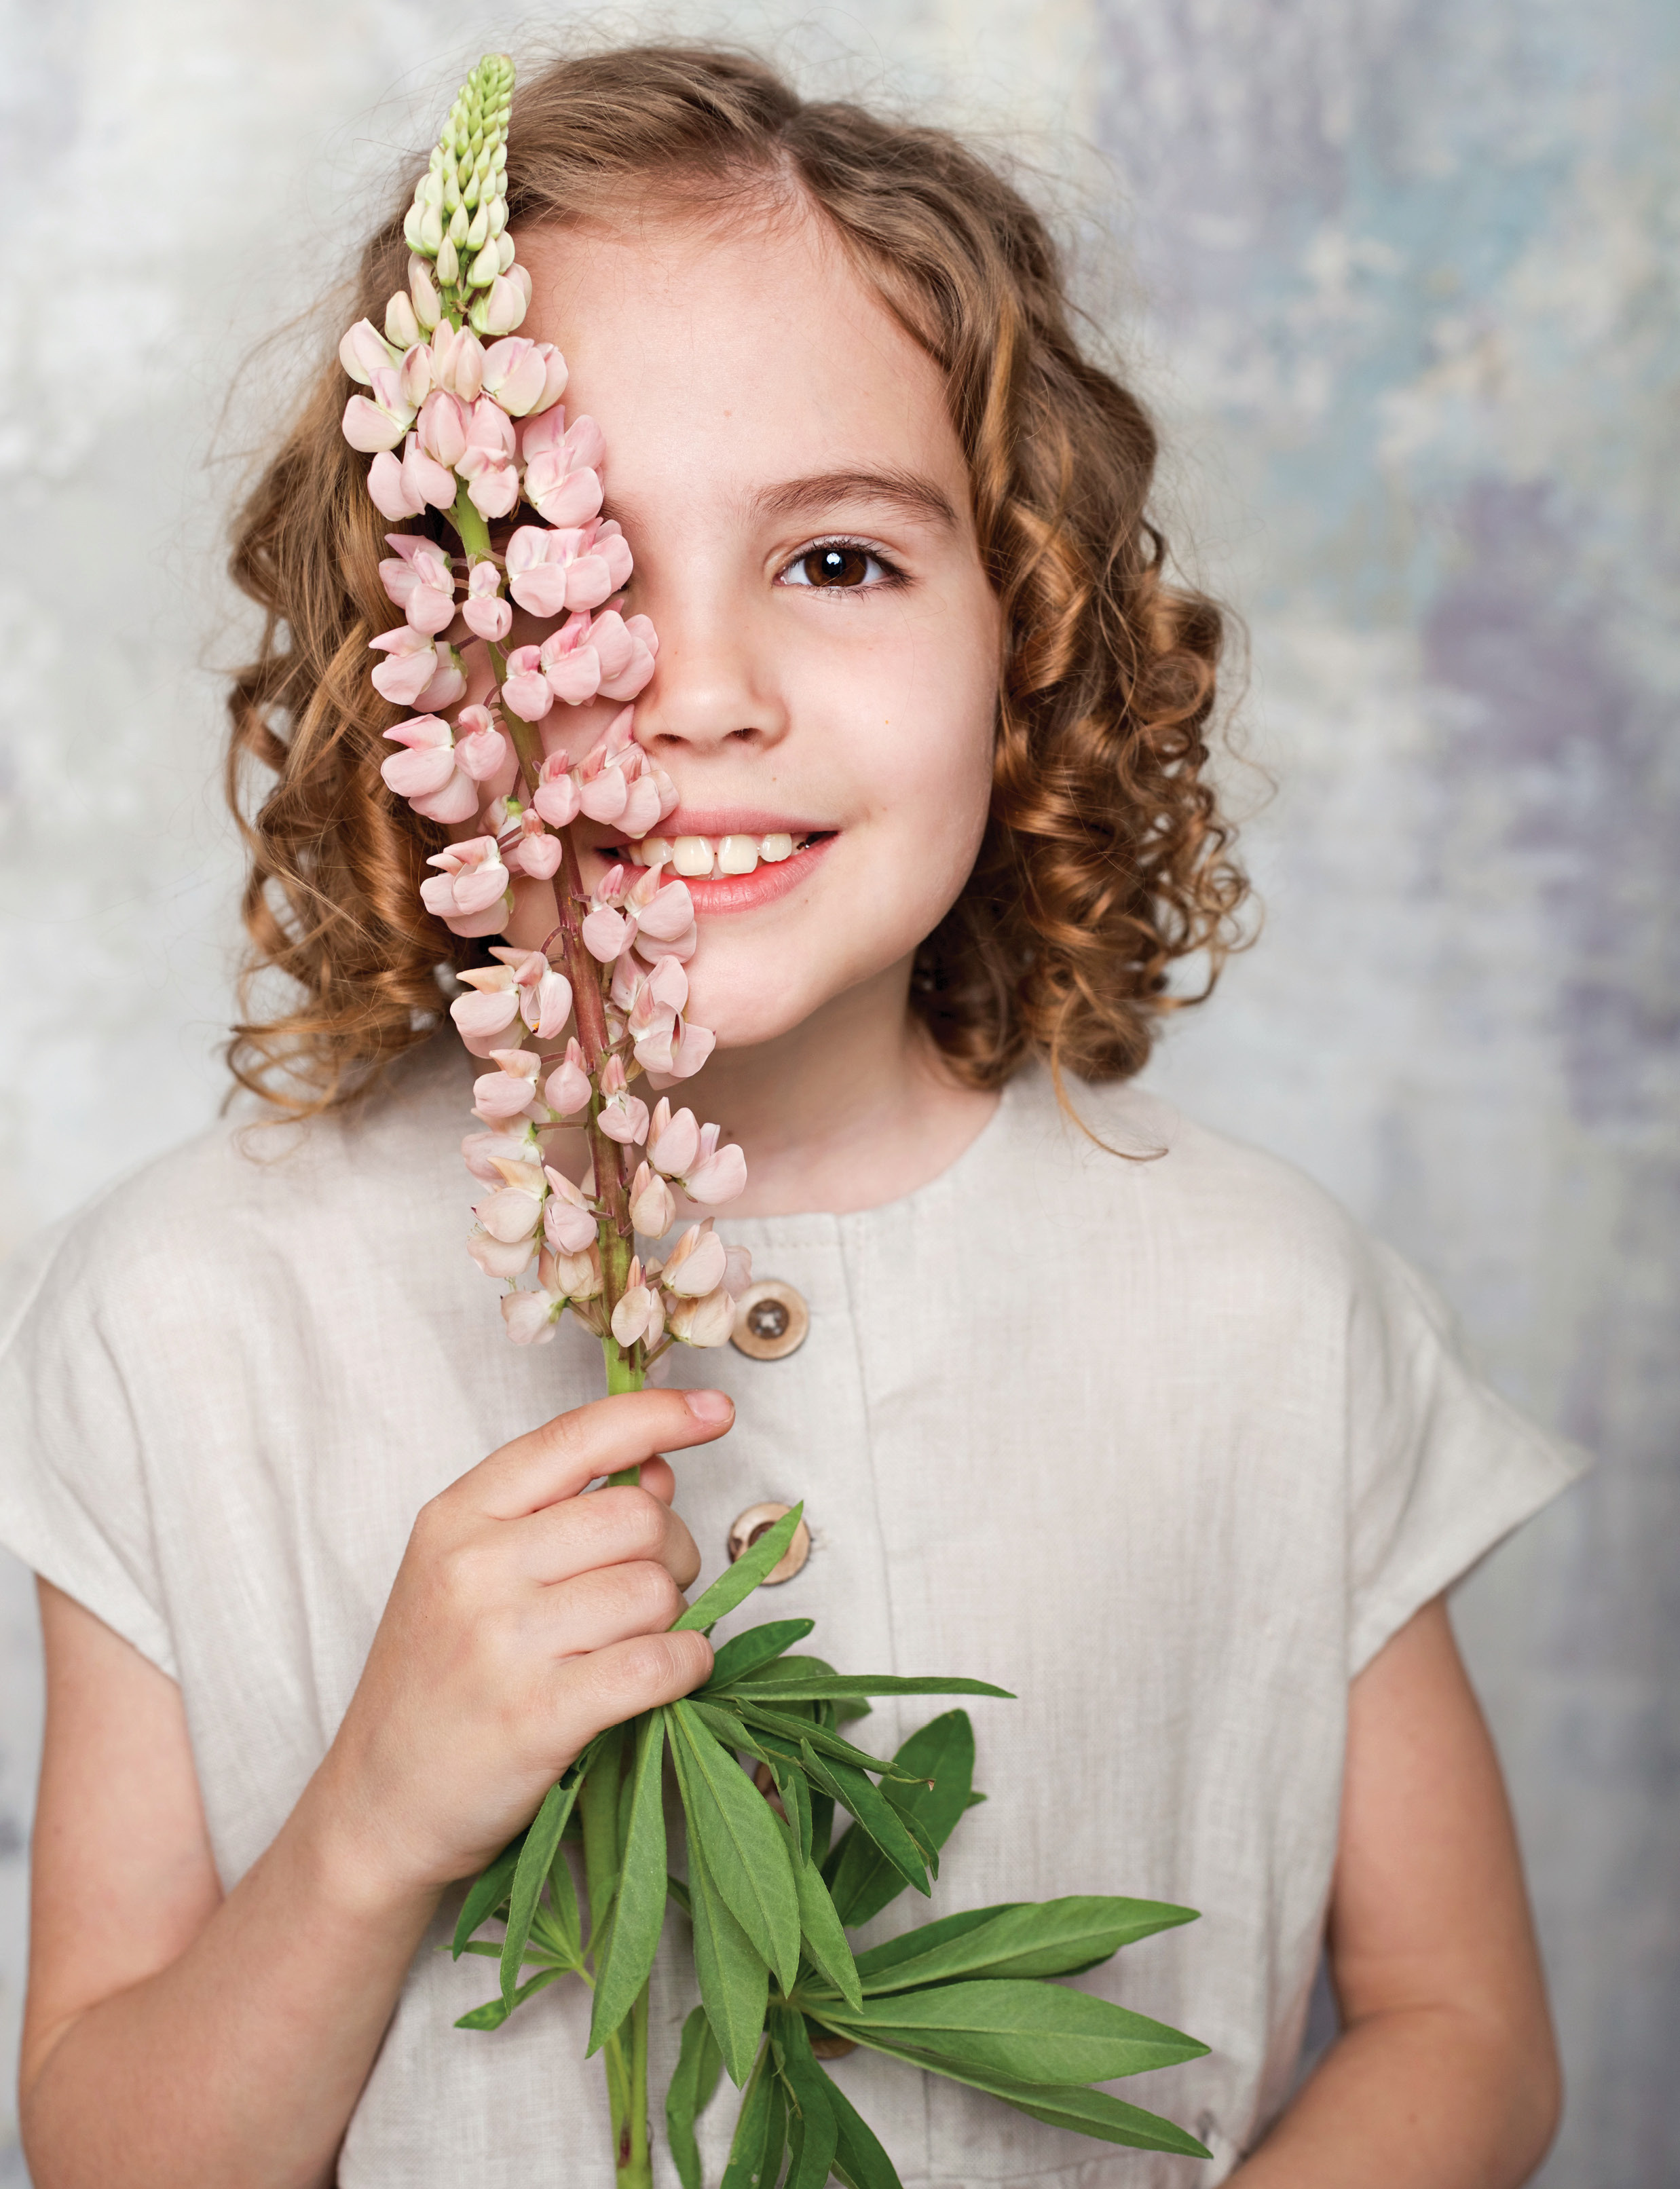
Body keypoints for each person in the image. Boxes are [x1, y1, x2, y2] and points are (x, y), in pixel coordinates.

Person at [0, 43, 1581, 2189]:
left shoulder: (1260, 1305)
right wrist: (370, 1820)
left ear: (1023, 634)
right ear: (409, 653)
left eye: (836, 560)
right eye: (569, 576)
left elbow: (1460, 2025)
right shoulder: (184, 1313)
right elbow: (108, 2145)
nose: (695, 687)